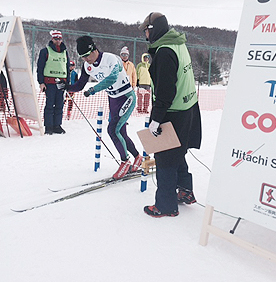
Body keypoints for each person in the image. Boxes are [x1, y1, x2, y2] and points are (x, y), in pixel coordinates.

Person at [139, 12, 202, 218]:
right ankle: (185, 191)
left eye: (146, 31)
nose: (145, 36)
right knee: (178, 151)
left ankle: (165, 206)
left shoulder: (165, 52)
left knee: (165, 157)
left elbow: (166, 91)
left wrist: (156, 119)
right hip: (188, 108)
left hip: (173, 112)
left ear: (153, 30)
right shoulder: (179, 44)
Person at [62, 36, 143, 179]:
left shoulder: (112, 59)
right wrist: (66, 87)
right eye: (82, 57)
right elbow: (80, 84)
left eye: (87, 56)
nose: (86, 60)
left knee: (113, 130)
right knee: (120, 133)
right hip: (113, 99)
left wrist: (93, 90)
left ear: (94, 49)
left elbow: (111, 79)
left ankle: (125, 162)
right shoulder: (87, 65)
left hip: (126, 97)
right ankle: (137, 157)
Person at [37, 29, 70, 135]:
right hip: (49, 82)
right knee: (50, 104)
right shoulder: (45, 51)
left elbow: (67, 67)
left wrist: (67, 83)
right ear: (52, 39)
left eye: (60, 39)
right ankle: (49, 126)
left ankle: (57, 125)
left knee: (60, 104)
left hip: (61, 82)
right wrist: (41, 82)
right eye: (56, 39)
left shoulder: (65, 52)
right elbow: (40, 67)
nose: (58, 41)